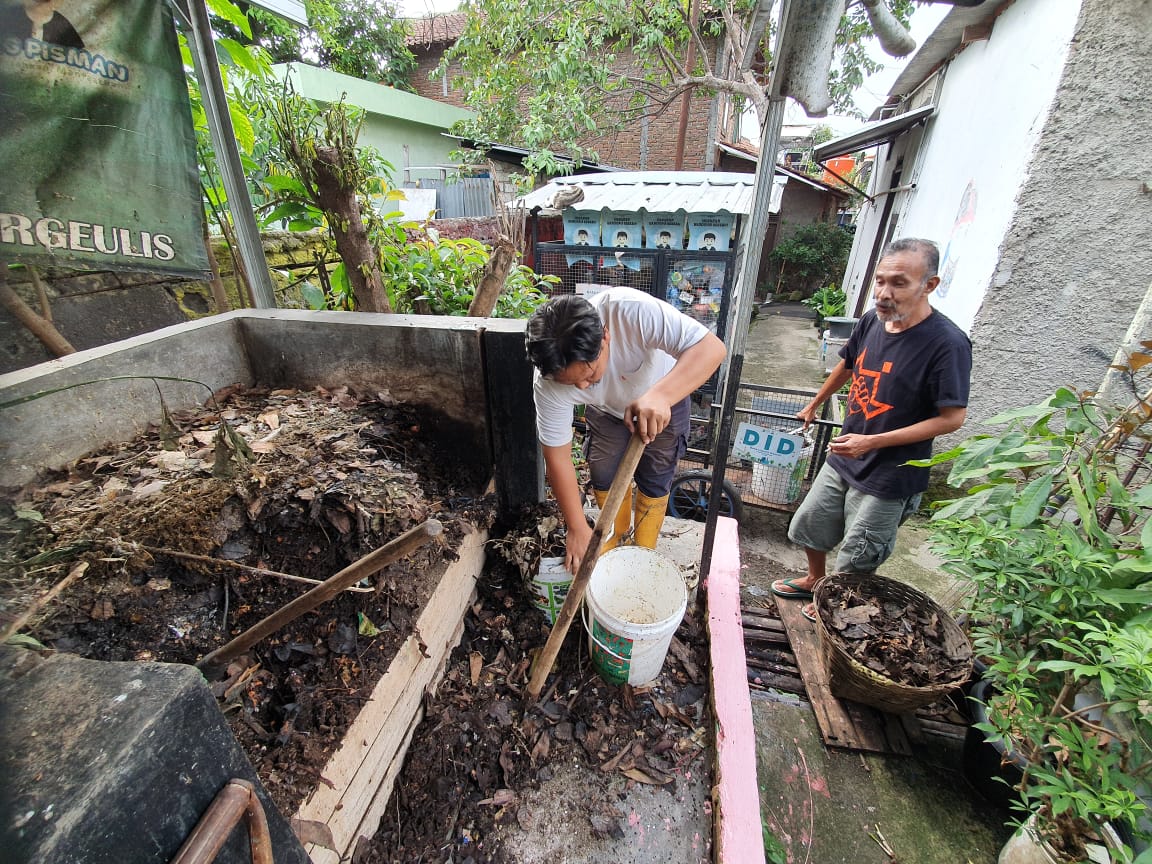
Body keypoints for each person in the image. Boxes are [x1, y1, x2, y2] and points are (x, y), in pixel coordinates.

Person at [770, 238, 972, 620]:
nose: (883, 293)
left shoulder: (947, 343)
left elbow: (952, 418)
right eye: (880, 281)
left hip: (891, 474)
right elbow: (848, 363)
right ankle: (815, 580)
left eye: (898, 283)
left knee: (859, 553)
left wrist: (873, 442)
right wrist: (815, 402)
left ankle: (836, 605)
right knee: (811, 523)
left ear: (929, 285)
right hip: (847, 454)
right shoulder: (871, 321)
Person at [526, 287, 727, 574]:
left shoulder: (631, 311)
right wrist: (576, 527)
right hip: (606, 411)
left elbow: (712, 348)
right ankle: (612, 538)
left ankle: (644, 548)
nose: (582, 387)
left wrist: (661, 396)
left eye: (589, 375)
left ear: (605, 337)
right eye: (571, 383)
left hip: (666, 396)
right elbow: (557, 457)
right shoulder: (547, 382)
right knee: (603, 473)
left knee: (656, 475)